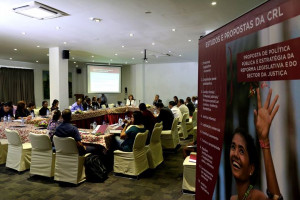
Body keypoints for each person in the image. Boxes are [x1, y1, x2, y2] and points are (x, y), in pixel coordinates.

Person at [230, 88, 282, 200]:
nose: (235, 154)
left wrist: (265, 141)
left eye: (242, 151)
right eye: (233, 147)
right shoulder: (233, 198)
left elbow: (276, 198)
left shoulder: (257, 197)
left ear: (251, 169)